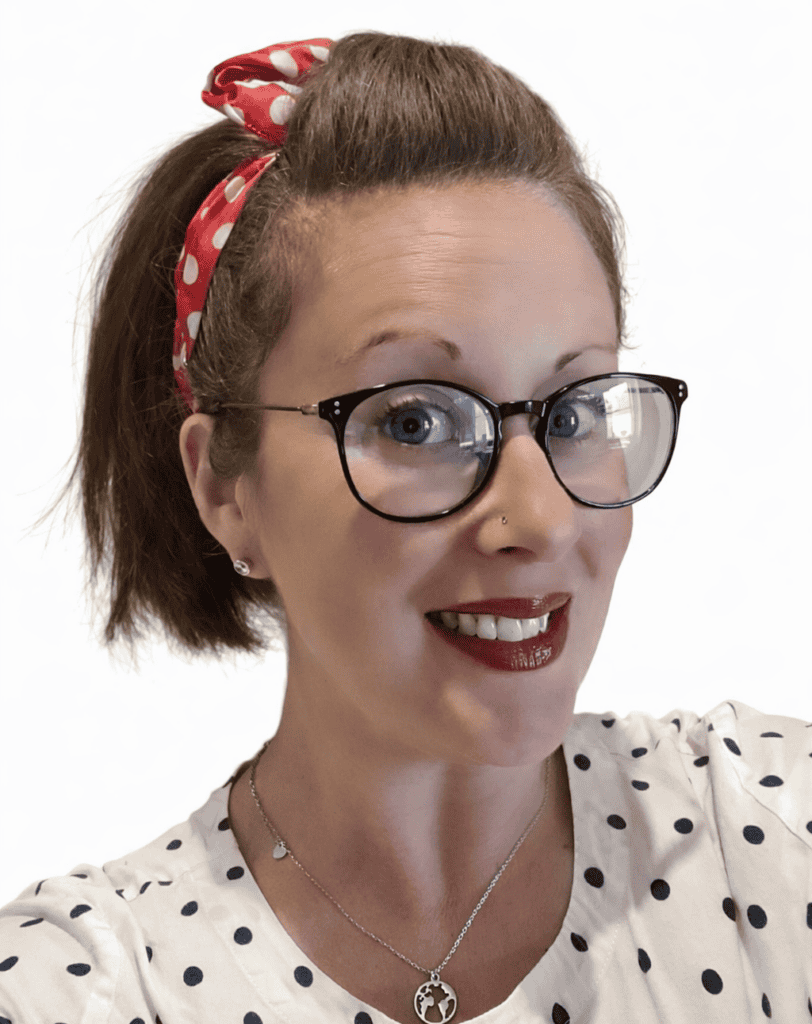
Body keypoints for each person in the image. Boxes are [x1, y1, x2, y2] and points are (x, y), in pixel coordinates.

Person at [0, 30, 809, 1024]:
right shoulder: (73, 991)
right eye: (416, 420)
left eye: (573, 411)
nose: (540, 517)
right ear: (224, 486)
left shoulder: (775, 832)